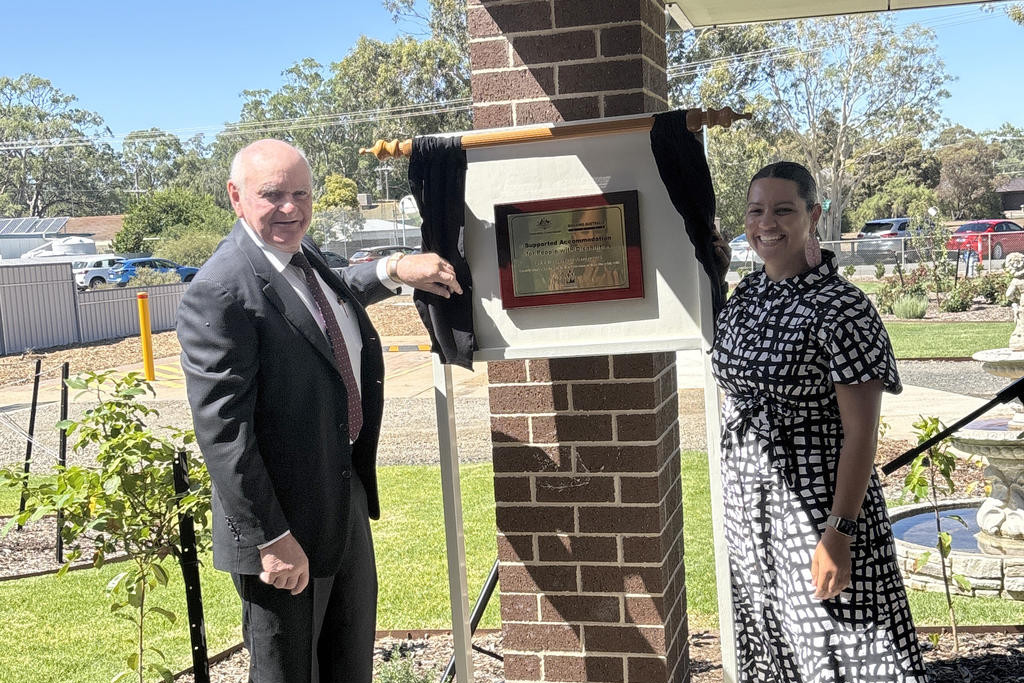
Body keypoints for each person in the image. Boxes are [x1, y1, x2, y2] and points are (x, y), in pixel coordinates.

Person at [177, 138, 462, 683]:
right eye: (273, 195)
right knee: (289, 672)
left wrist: (397, 266)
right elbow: (224, 433)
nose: (291, 208)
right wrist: (271, 539)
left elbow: (339, 290)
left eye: (302, 194)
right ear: (236, 198)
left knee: (348, 663)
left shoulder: (299, 259)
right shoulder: (220, 291)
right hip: (282, 525)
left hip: (342, 498)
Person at [710, 161, 928, 682]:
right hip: (751, 510)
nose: (767, 223)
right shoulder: (746, 298)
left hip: (818, 507)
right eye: (756, 211)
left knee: (842, 645)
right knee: (773, 643)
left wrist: (839, 533)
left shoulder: (842, 307)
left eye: (784, 210)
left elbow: (861, 435)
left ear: (814, 215)